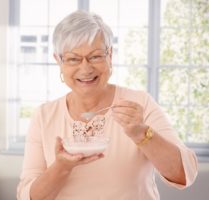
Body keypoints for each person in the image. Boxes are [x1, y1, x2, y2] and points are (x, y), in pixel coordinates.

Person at [17, 10, 198, 200]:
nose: (85, 68)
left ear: (110, 55)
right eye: (73, 59)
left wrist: (141, 133)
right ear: (58, 61)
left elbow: (185, 174)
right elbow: (27, 196)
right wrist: (61, 167)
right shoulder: (44, 116)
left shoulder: (140, 103)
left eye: (95, 56)